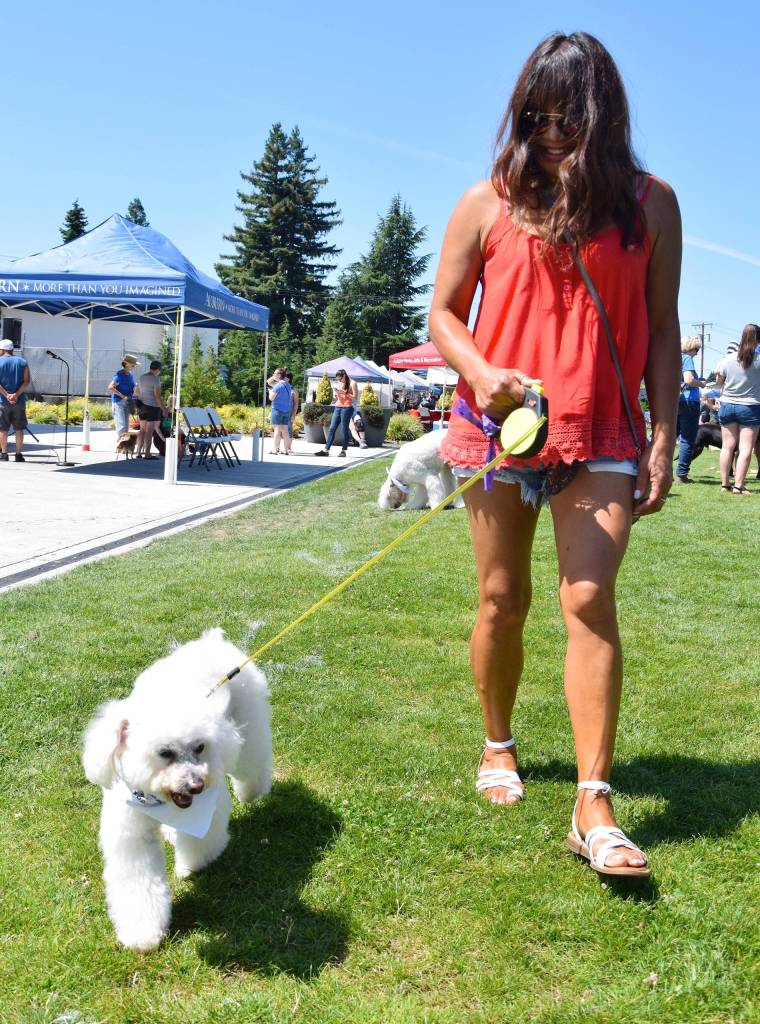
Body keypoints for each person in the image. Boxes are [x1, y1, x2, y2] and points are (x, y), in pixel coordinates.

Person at [428, 32, 681, 876]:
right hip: (498, 432)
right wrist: (481, 372)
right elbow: (444, 316)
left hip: (601, 431)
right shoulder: (486, 201)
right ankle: (497, 743)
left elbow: (664, 329)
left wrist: (664, 435)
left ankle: (592, 802)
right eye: (538, 115)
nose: (552, 132)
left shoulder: (651, 205)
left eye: (569, 116)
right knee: (503, 599)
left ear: (600, 116)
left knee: (589, 600)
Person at [715, 324, 760, 495]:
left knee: (727, 447)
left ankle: (725, 485)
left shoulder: (726, 360)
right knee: (746, 448)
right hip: (750, 407)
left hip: (727, 406)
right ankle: (738, 486)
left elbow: (719, 384)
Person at [675, 336, 703, 483]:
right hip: (689, 402)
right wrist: (702, 384)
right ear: (691, 348)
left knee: (670, 437)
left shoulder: (673, 358)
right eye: (697, 349)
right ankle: (681, 474)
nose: (697, 353)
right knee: (687, 439)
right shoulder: (687, 359)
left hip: (675, 401)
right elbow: (689, 380)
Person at [0, 339, 31, 463]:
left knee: (3, 428)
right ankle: (18, 455)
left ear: (2, 349)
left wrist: (7, 395)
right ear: (12, 350)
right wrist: (16, 394)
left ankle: (4, 454)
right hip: (19, 401)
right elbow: (27, 380)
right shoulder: (22, 362)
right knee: (19, 428)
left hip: (2, 401)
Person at [315, 369, 356, 457]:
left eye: (340, 379)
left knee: (344, 429)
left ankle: (343, 450)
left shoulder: (353, 383)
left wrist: (344, 392)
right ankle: (326, 450)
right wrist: (336, 394)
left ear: (344, 376)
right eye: (337, 379)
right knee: (332, 428)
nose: (339, 381)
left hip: (347, 408)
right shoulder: (340, 383)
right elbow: (339, 396)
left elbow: (354, 397)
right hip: (338, 407)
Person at [135, 360, 166, 459]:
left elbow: (136, 392)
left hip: (142, 406)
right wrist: (164, 408)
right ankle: (147, 453)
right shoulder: (156, 379)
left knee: (142, 430)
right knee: (149, 431)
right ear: (157, 369)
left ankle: (138, 452)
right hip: (152, 407)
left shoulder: (142, 377)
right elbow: (157, 396)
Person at [108, 354, 139, 439]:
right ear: (126, 364)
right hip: (119, 402)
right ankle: (122, 443)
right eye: (133, 365)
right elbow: (110, 387)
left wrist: (136, 388)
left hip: (127, 402)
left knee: (125, 425)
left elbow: (132, 388)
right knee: (121, 424)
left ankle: (124, 444)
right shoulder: (119, 375)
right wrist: (122, 396)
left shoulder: (130, 375)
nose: (134, 366)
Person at [268, 367, 293, 454]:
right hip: (286, 410)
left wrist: (270, 392)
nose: (273, 375)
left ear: (279, 375)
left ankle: (275, 449)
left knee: (277, 430)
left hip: (277, 410)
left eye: (275, 374)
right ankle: (286, 450)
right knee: (285, 430)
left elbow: (271, 398)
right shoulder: (288, 385)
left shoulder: (278, 386)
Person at [285, 370, 300, 444]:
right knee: (280, 430)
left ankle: (289, 447)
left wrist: (294, 414)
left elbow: (296, 404)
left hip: (289, 414)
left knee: (289, 430)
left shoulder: (293, 390)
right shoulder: (280, 387)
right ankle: (279, 447)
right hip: (280, 412)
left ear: (288, 379)